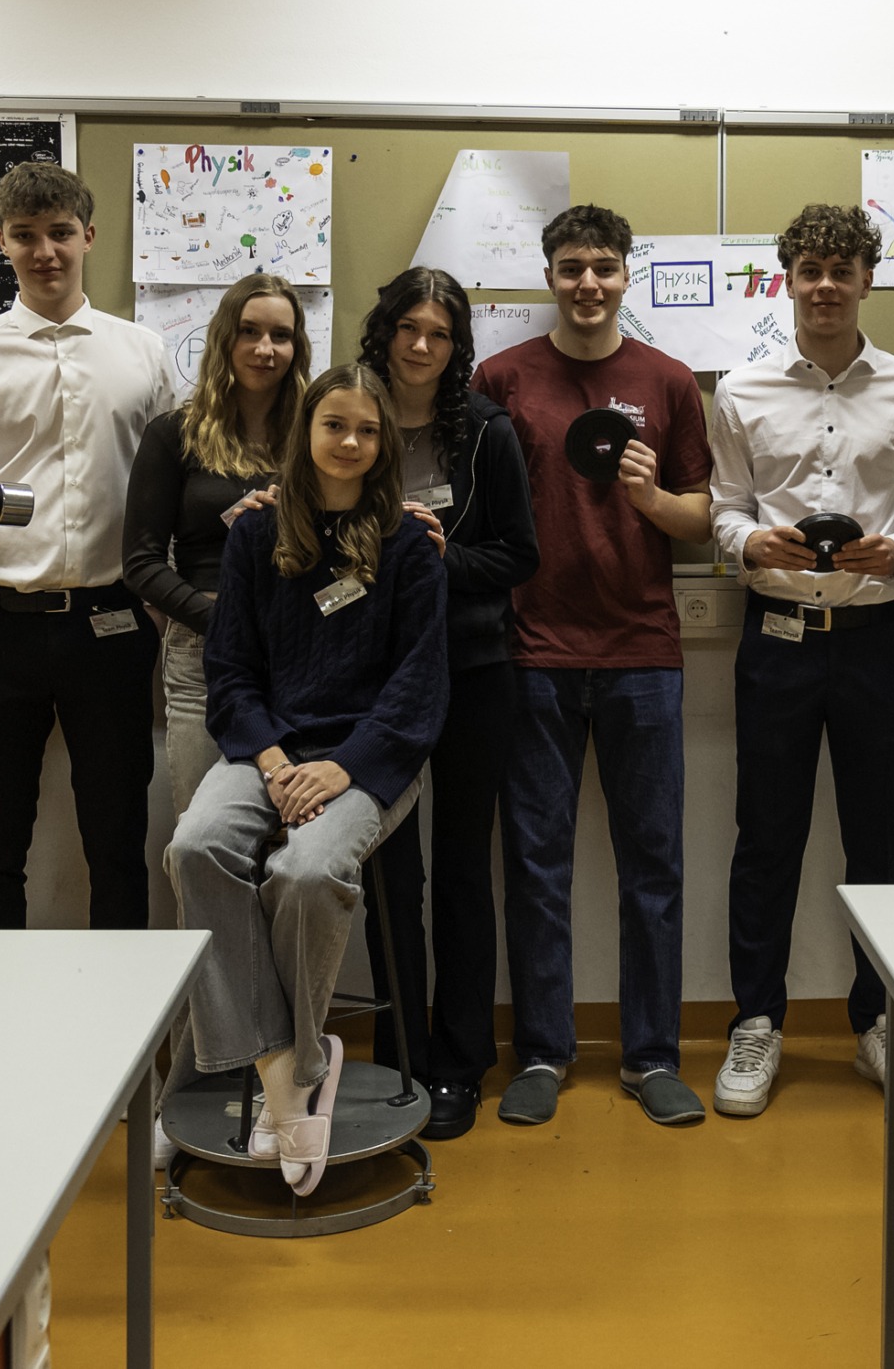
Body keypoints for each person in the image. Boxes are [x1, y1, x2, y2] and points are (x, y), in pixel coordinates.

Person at [166, 364, 449, 1196]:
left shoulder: (411, 544)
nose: (350, 442)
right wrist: (275, 760)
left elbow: (419, 688)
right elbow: (231, 671)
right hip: (269, 752)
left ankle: (283, 1073)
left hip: (369, 757)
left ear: (384, 442)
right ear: (307, 430)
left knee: (306, 870)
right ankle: (290, 1063)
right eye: (334, 425)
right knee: (195, 847)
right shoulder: (256, 533)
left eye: (367, 429)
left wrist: (341, 765)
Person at [707, 204, 894, 1118]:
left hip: (873, 641)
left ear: (866, 280)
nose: (824, 285)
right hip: (775, 638)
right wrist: (749, 543)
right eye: (810, 269)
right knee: (765, 838)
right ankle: (756, 1020)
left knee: (878, 837)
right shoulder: (741, 390)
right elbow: (724, 506)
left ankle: (880, 1021)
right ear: (788, 278)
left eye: (841, 270)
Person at [471, 204, 713, 1129]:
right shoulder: (500, 378)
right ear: (549, 276)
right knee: (536, 862)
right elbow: (480, 512)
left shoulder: (669, 381)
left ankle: (652, 1056)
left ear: (625, 274)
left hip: (642, 653)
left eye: (604, 267)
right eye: (572, 267)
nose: (588, 283)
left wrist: (649, 496)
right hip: (532, 652)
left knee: (654, 863)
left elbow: (701, 520)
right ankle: (542, 1050)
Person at [0, 161, 173, 929]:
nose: (45, 251)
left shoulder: (143, 351)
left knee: (118, 837)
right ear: (2, 243)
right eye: (25, 236)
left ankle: (124, 1004)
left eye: (60, 232)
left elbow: (175, 479)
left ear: (88, 236)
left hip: (111, 622)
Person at [352, 267, 539, 1139]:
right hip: (371, 676)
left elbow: (519, 556)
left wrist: (437, 555)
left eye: (439, 333)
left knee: (463, 869)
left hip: (472, 669)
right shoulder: (346, 417)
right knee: (390, 875)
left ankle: (461, 1064)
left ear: (457, 344)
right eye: (409, 329)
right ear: (385, 331)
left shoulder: (487, 430)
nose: (422, 346)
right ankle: (400, 1058)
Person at [124, 274, 311, 817]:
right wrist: (224, 624)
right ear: (224, 337)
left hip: (301, 650)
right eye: (249, 331)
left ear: (297, 347)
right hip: (202, 650)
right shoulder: (174, 434)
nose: (264, 349)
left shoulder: (317, 435)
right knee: (203, 836)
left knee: (296, 830)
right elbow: (140, 563)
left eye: (280, 335)